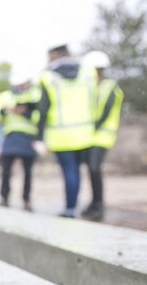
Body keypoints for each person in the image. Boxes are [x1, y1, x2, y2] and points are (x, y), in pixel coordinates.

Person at [34, 44, 97, 217]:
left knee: (70, 172)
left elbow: (43, 109)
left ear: (56, 55)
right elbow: (95, 100)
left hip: (62, 136)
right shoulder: (87, 73)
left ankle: (70, 208)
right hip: (86, 133)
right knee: (84, 171)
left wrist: (39, 137)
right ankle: (93, 204)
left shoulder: (48, 77)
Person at [0, 67, 41, 211]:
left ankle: (26, 200)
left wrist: (25, 113)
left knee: (28, 172)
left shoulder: (35, 95)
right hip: (10, 136)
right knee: (6, 170)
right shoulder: (5, 96)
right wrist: (4, 111)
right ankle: (4, 198)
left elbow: (40, 117)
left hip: (28, 137)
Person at [80, 50, 124, 221]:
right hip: (89, 136)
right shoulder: (89, 86)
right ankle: (94, 203)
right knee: (91, 170)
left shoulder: (110, 87)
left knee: (94, 167)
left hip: (103, 136)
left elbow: (105, 111)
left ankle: (99, 204)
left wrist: (92, 127)